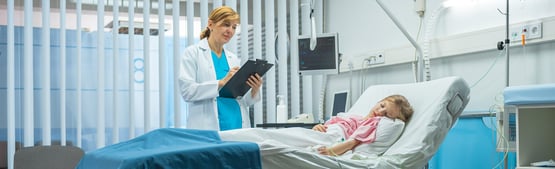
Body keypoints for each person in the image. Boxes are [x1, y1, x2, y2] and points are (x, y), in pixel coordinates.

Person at [179, 6, 263, 131]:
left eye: (234, 27)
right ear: (210, 24)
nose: (230, 30)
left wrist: (254, 89)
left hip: (237, 124)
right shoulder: (192, 53)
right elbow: (187, 91)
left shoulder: (233, 58)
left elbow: (242, 100)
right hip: (209, 128)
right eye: (226, 24)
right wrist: (220, 83)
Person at [312, 94, 413, 156]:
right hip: (322, 132)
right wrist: (316, 127)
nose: (380, 112)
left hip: (336, 136)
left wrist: (331, 151)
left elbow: (351, 143)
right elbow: (327, 125)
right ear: (379, 101)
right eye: (382, 105)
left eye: (386, 114)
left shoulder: (371, 124)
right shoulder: (354, 117)